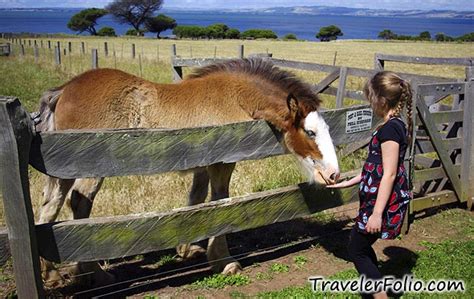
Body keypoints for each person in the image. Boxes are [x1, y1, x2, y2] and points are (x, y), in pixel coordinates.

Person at [328, 71, 413, 298]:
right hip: (376, 197)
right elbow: (376, 169)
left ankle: (379, 294)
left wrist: (376, 214)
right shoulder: (392, 125)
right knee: (361, 247)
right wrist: (349, 182)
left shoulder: (390, 129)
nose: (369, 103)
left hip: (379, 202)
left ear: (381, 101)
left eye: (370, 98)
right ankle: (374, 289)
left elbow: (390, 173)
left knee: (356, 249)